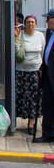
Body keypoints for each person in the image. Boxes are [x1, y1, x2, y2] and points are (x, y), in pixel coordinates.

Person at [14, 15, 45, 135]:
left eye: (32, 22)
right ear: (24, 24)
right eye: (28, 22)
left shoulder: (40, 36)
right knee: (19, 96)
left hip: (35, 72)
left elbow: (42, 52)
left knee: (34, 98)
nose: (30, 24)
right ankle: (14, 122)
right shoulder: (20, 35)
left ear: (36, 24)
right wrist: (16, 37)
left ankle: (32, 123)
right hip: (21, 71)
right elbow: (15, 52)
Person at [34, 9, 54, 143]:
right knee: (46, 105)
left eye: (48, 18)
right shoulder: (49, 33)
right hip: (47, 76)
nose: (46, 21)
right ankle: (47, 133)